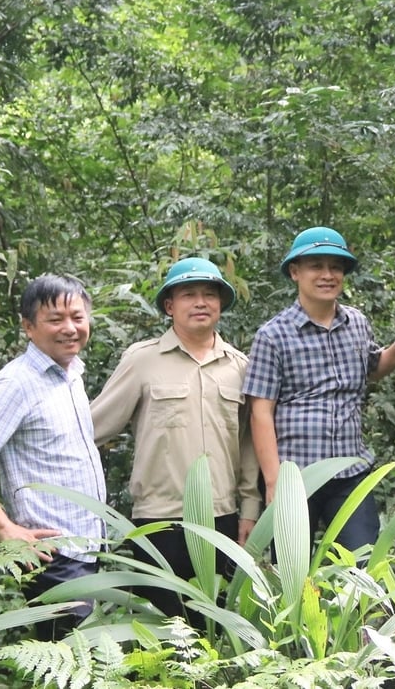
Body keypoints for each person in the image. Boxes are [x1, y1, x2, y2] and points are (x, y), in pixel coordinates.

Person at [91, 257, 260, 620]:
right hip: (160, 521)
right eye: (189, 294)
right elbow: (92, 428)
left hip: (222, 519)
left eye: (209, 294)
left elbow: (248, 447)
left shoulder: (239, 366)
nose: (201, 302)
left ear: (220, 304)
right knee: (162, 630)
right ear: (170, 305)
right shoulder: (142, 361)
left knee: (216, 627)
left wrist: (250, 509)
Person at [0, 274, 105, 640]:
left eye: (77, 317)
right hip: (53, 556)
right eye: (55, 320)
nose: (70, 328)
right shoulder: (17, 382)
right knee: (68, 662)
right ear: (28, 327)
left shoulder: (70, 374)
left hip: (84, 548)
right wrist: (4, 526)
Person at [243, 226, 395, 553]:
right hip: (297, 478)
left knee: (363, 568)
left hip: (350, 472)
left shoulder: (356, 322)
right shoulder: (273, 335)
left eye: (335, 267)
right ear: (295, 272)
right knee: (292, 574)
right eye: (316, 266)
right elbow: (261, 413)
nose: (328, 275)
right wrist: (273, 483)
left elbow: (373, 369)